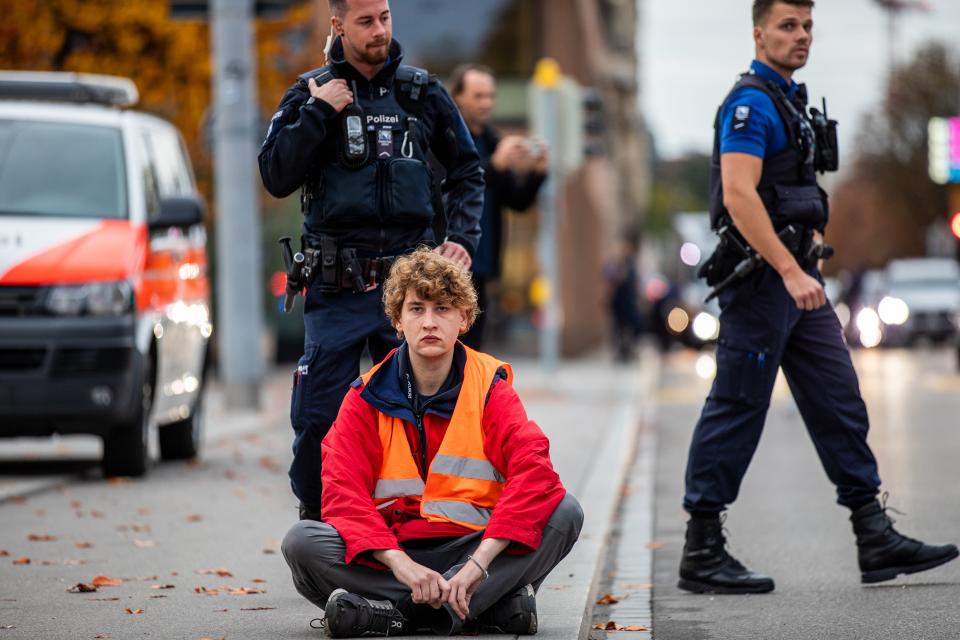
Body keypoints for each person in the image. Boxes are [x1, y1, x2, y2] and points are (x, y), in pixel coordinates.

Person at [680, 0, 958, 594]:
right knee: (737, 407)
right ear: (759, 33)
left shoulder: (790, 101)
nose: (801, 35)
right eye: (788, 25)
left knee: (839, 401)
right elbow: (739, 194)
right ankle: (702, 549)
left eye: (807, 26)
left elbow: (798, 191)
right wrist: (787, 267)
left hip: (798, 280)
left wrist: (808, 254)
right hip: (763, 284)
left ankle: (873, 535)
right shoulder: (751, 104)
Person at [258, 0, 484, 521]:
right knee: (319, 417)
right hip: (337, 284)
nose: (379, 30)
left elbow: (468, 172)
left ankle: (428, 521)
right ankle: (319, 525)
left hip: (410, 288)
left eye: (384, 17)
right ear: (338, 26)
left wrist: (464, 239)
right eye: (366, 21)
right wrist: (319, 113)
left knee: (426, 409)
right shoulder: (310, 90)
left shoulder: (422, 93)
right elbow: (274, 175)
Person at [281, 248, 583, 637]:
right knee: (302, 542)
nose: (429, 322)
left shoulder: (490, 387)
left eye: (442, 309)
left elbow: (534, 472)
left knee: (565, 512)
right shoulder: (363, 397)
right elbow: (342, 494)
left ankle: (392, 614)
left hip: (473, 548)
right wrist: (401, 565)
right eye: (417, 309)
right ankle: (480, 607)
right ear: (397, 320)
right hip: (393, 555)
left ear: (464, 319)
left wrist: (476, 566)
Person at [449, 63, 548, 349]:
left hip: (483, 264)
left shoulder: (492, 141)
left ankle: (470, 396)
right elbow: (447, 185)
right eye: (478, 96)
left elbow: (516, 201)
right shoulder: (445, 136)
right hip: (451, 260)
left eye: (490, 96)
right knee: (451, 347)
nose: (487, 103)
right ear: (457, 97)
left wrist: (538, 172)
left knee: (474, 350)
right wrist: (493, 166)